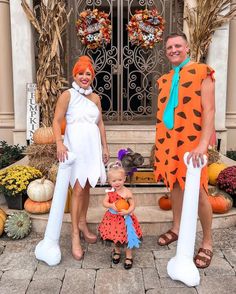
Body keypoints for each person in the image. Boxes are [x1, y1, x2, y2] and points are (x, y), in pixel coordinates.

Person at [154, 32, 215, 268]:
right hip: (169, 142)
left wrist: (202, 144)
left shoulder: (203, 72)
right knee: (175, 186)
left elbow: (209, 111)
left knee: (198, 191)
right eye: (169, 47)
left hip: (193, 144)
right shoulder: (165, 79)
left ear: (187, 48)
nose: (173, 50)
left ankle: (207, 241)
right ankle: (177, 227)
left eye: (178, 45)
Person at [53, 55, 109, 260]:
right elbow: (56, 120)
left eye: (88, 73)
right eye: (81, 73)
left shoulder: (95, 98)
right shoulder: (67, 95)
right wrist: (59, 143)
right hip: (74, 146)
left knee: (86, 187)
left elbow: (100, 123)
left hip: (91, 147)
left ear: (92, 76)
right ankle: (74, 234)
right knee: (77, 188)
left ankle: (83, 223)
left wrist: (105, 146)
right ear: (74, 75)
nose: (84, 77)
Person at [98, 161, 142, 269]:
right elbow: (104, 203)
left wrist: (128, 211)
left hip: (125, 219)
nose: (117, 183)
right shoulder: (110, 192)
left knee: (127, 237)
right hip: (113, 219)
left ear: (124, 179)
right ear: (109, 181)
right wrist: (111, 205)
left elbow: (132, 205)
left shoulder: (127, 192)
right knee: (115, 236)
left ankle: (129, 256)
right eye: (114, 181)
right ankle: (117, 251)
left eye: (120, 180)